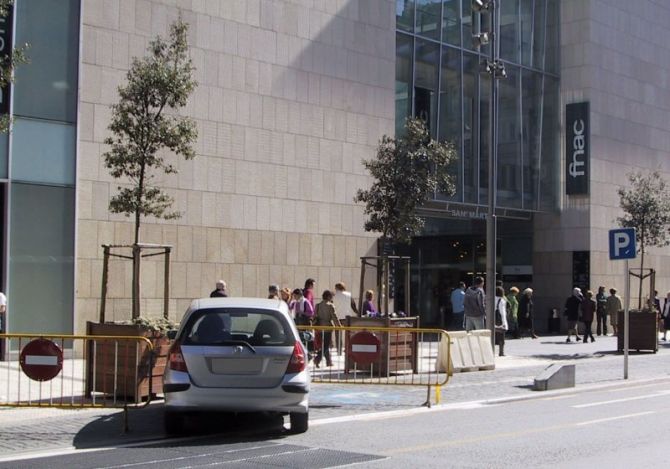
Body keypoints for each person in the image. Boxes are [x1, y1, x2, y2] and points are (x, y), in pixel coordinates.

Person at [313, 290, 341, 367]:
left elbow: (314, 316)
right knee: (326, 345)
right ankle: (317, 359)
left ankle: (329, 361)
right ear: (328, 297)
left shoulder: (318, 305)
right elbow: (334, 317)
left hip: (319, 327)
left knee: (325, 345)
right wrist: (339, 326)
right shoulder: (330, 306)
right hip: (328, 327)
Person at [494, 286, 509, 357]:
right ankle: (501, 352)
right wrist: (504, 323)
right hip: (499, 319)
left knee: (492, 335)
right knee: (501, 336)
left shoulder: (491, 299)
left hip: (492, 319)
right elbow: (502, 312)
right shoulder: (501, 300)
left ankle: (491, 351)